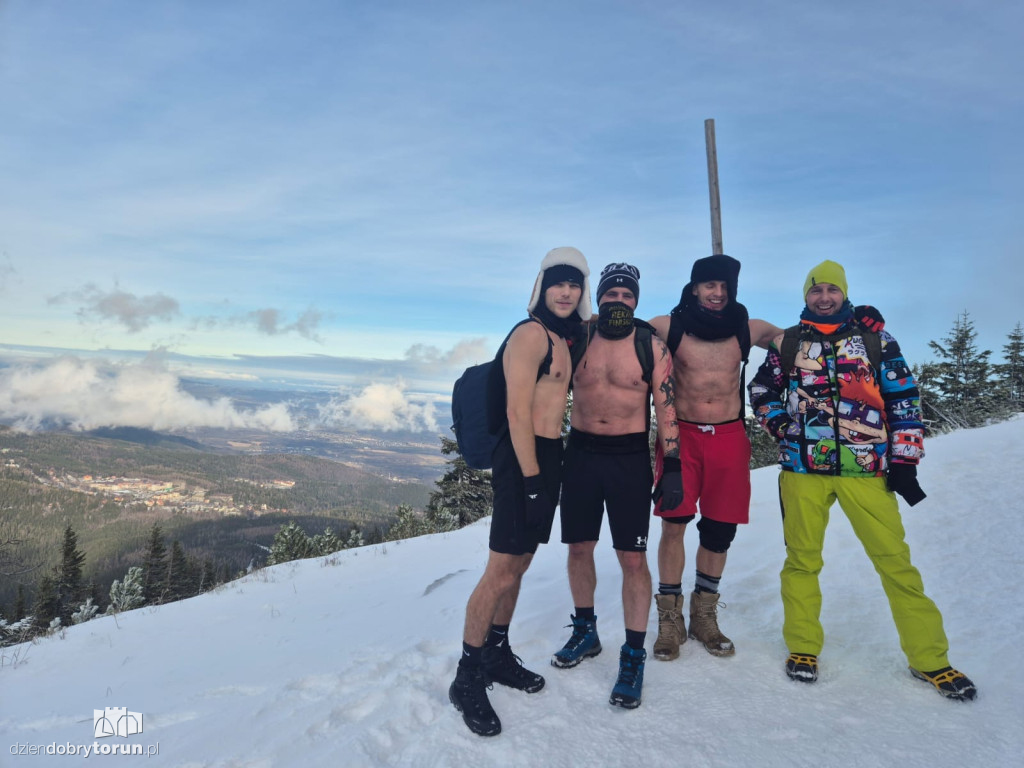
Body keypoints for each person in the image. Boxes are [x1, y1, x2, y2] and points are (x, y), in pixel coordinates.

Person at [747, 259, 977, 701]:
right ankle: (803, 648)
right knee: (801, 561)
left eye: (832, 290)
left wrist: (905, 458)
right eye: (817, 291)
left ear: (844, 293)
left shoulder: (874, 338)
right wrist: (784, 427)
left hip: (866, 469)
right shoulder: (789, 343)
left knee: (895, 562)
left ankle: (931, 659)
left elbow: (904, 397)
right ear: (806, 296)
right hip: (803, 471)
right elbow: (761, 392)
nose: (825, 297)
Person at [448, 246, 592, 737]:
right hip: (522, 458)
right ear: (542, 287)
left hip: (548, 457)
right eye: (558, 282)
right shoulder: (531, 335)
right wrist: (530, 477)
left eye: (574, 284)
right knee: (500, 568)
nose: (566, 291)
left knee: (521, 563)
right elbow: (516, 413)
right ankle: (467, 677)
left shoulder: (566, 338)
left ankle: (496, 652)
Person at [550, 263, 683, 709]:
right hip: (581, 456)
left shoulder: (651, 346)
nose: (619, 302)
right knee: (578, 548)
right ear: (599, 297)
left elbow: (666, 409)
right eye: (611, 295)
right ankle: (586, 632)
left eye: (627, 296)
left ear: (636, 301)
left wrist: (675, 466)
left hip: (628, 460)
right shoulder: (580, 338)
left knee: (632, 558)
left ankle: (633, 655)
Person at [647, 254, 781, 661]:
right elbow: (613, 325)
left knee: (720, 531)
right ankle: (670, 620)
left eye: (724, 287)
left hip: (728, 437)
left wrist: (853, 328)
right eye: (709, 285)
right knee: (675, 525)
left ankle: (704, 614)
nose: (717, 293)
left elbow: (794, 338)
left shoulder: (746, 328)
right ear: (694, 287)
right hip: (680, 437)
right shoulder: (670, 326)